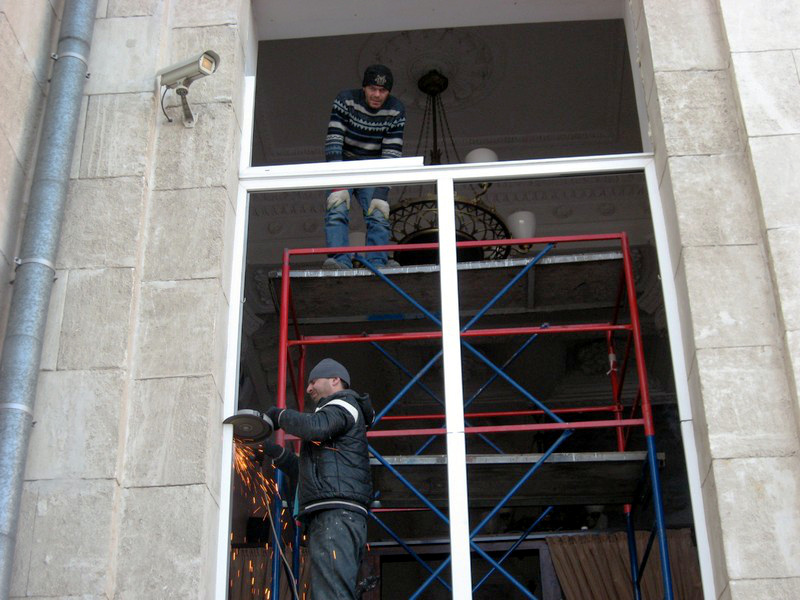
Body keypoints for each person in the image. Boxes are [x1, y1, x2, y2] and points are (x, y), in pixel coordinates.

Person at [264, 358, 375, 600]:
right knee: (331, 591)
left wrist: (279, 416)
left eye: (313, 381)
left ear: (335, 380)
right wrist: (274, 453)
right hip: (336, 515)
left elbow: (315, 427)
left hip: (336, 515)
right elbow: (309, 473)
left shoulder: (344, 405)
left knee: (331, 594)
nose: (308, 389)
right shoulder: (336, 419)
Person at [323, 64, 407, 269]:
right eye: (372, 89)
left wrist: (381, 192)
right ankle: (340, 261)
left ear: (388, 92)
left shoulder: (396, 109)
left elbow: (391, 153)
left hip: (374, 167)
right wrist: (338, 180)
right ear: (364, 87)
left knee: (378, 213)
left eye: (383, 90)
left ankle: (378, 262)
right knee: (337, 208)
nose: (377, 95)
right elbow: (334, 140)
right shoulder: (346, 100)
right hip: (343, 163)